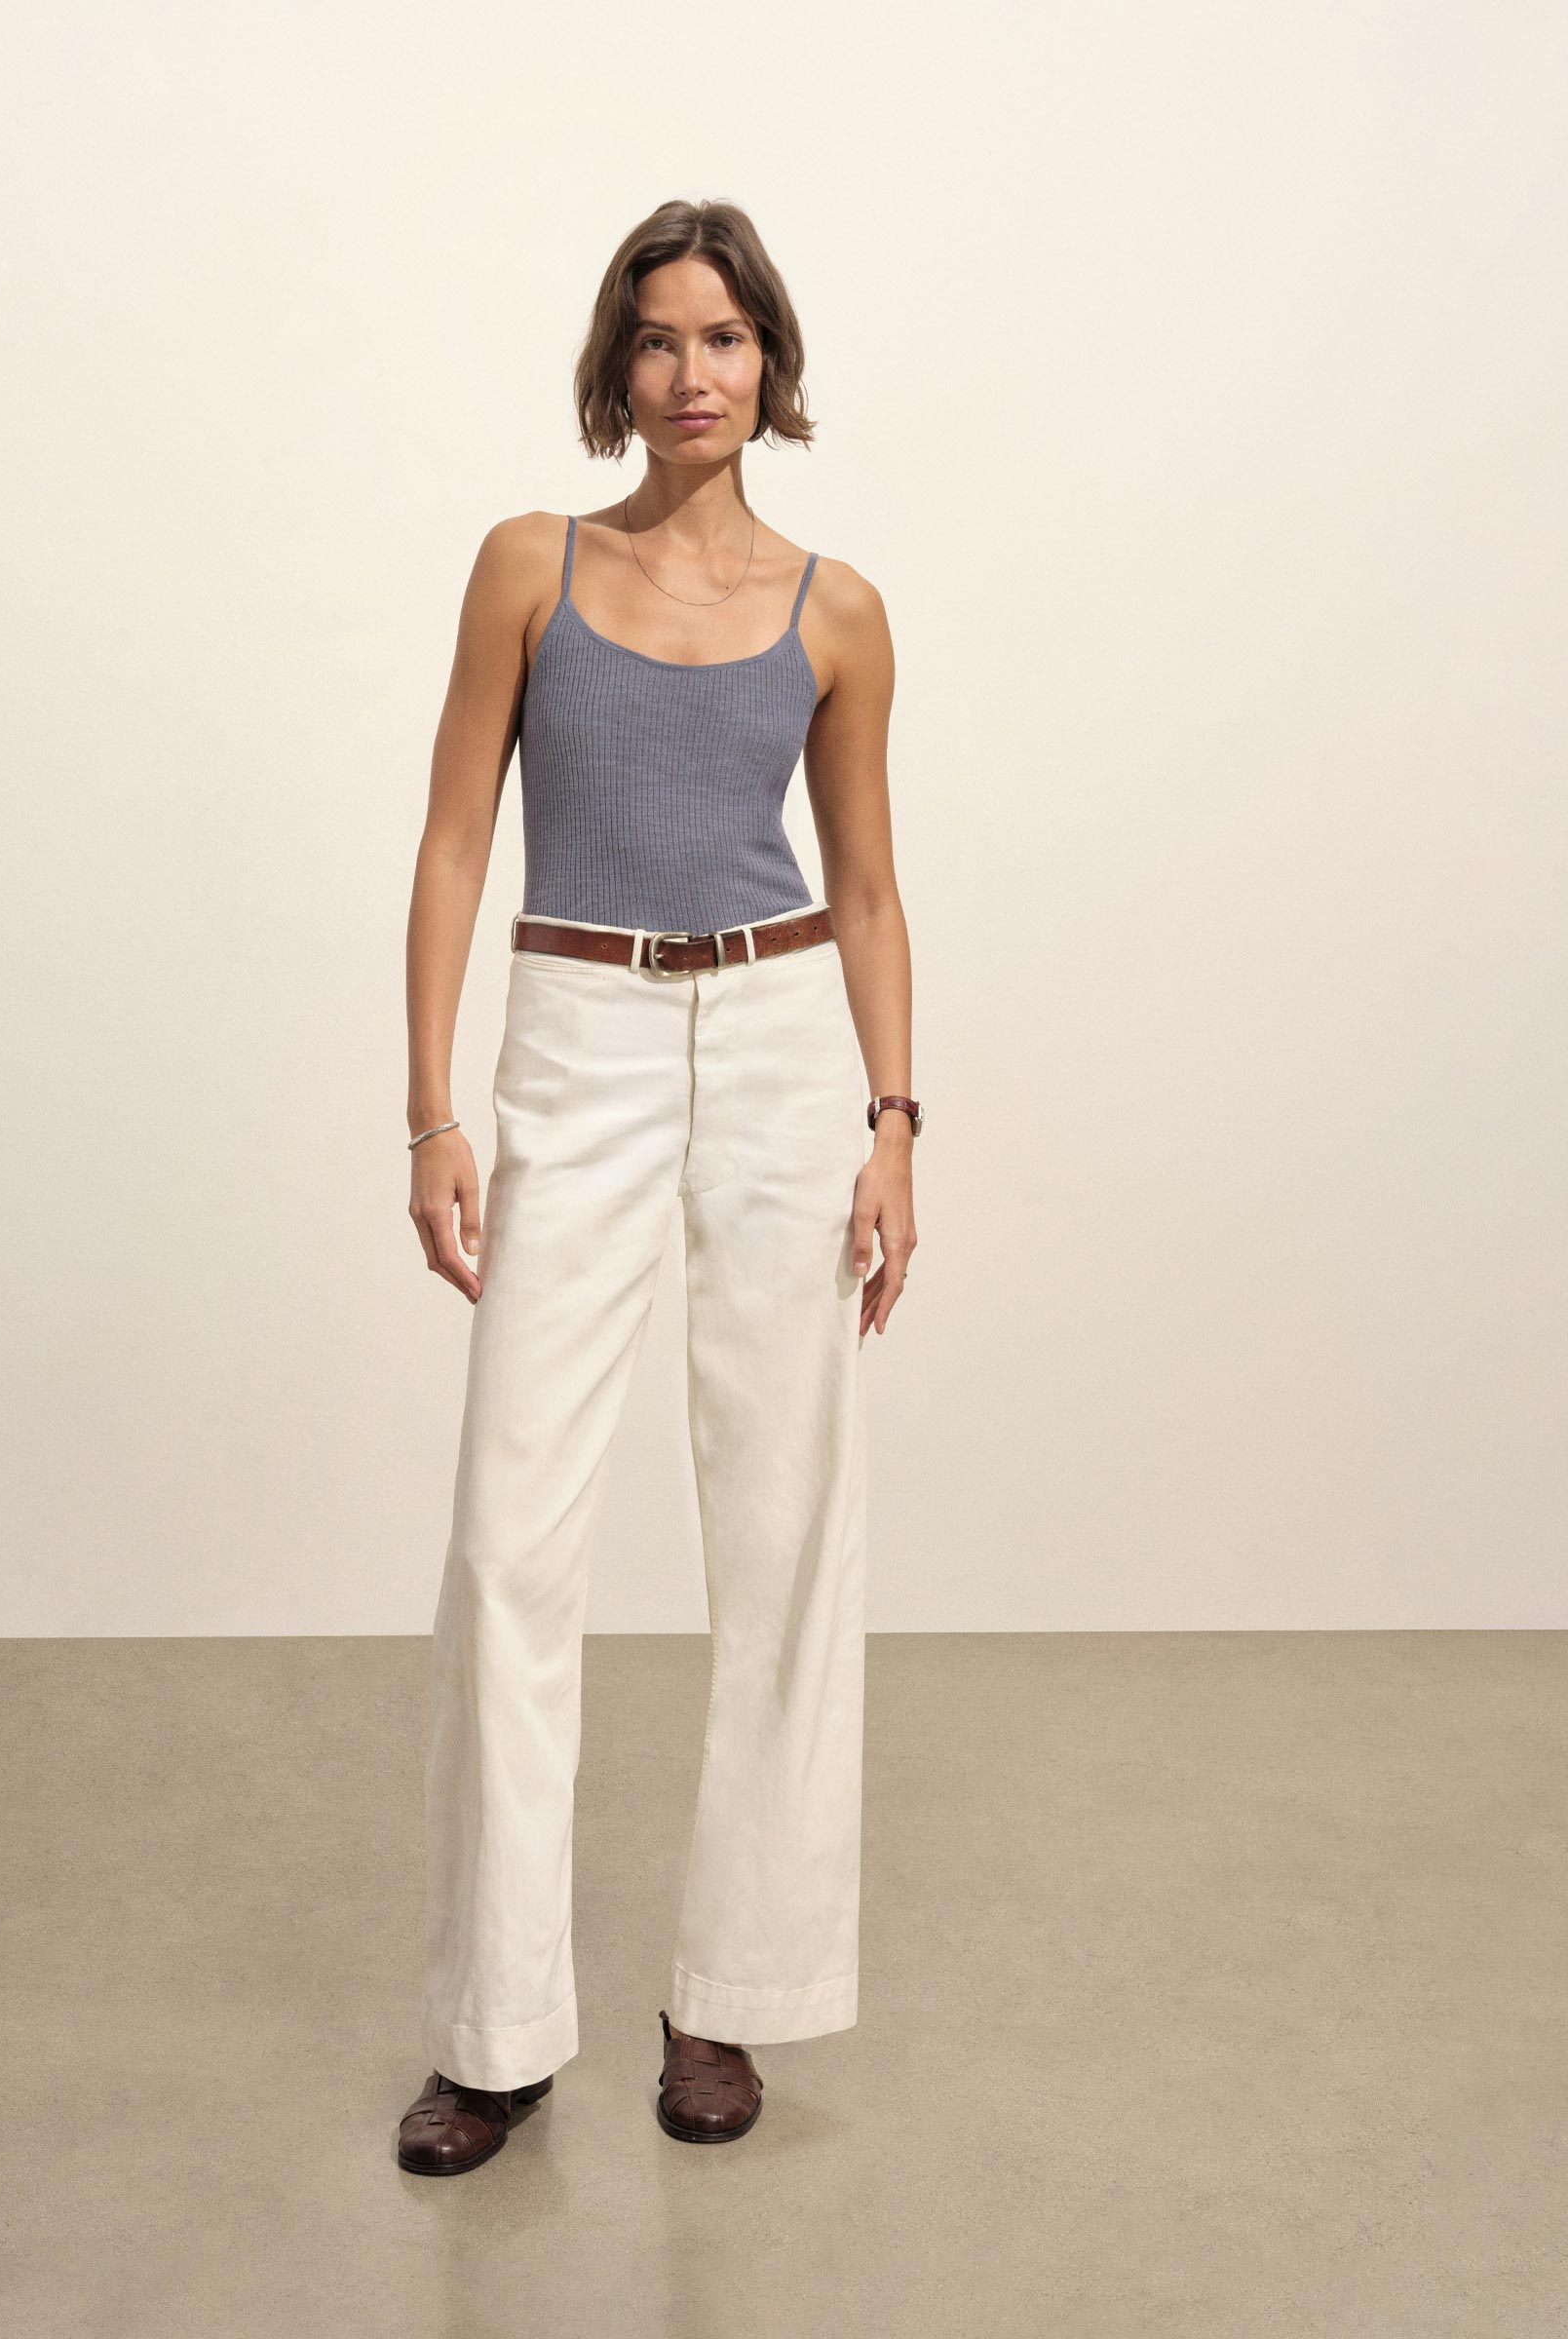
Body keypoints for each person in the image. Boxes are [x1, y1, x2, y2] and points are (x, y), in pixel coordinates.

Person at [397, 197, 919, 2177]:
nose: (694, 374)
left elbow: (867, 885)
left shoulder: (837, 609)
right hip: (579, 1036)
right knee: (508, 1543)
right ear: (615, 365)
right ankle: (495, 2029)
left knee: (785, 1532)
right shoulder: (529, 566)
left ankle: (731, 2000)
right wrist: (433, 1114)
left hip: (780, 1045)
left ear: (770, 363)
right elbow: (458, 841)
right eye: (659, 338)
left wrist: (894, 1122)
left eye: (726, 338)